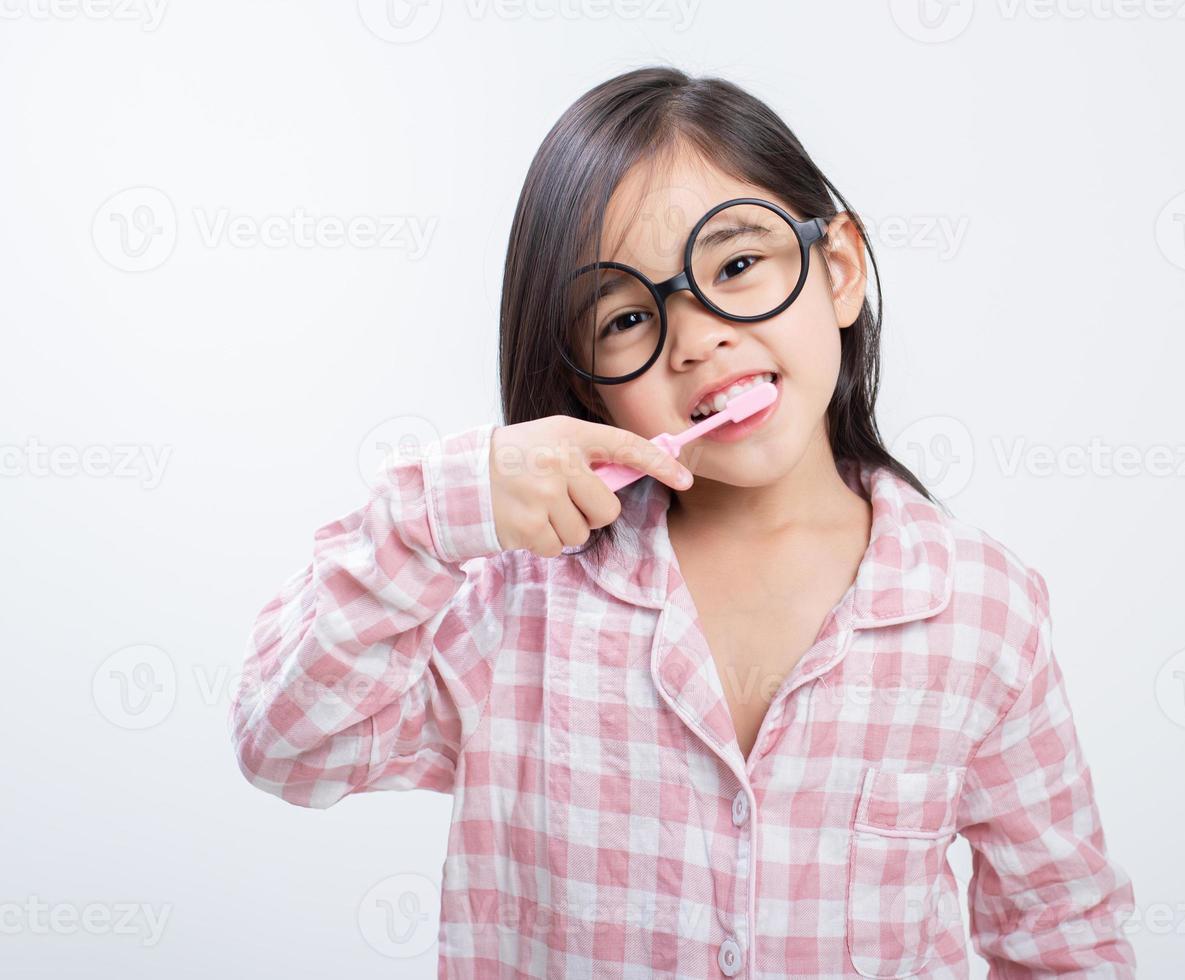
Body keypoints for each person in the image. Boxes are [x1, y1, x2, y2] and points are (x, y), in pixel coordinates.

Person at [228, 65, 1137, 978]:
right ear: (587, 388)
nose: (698, 336)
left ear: (840, 271)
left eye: (738, 265)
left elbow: (1064, 931)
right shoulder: (514, 605)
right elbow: (288, 747)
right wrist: (436, 513)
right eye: (627, 317)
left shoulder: (980, 611)